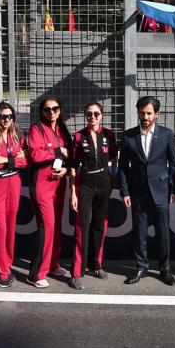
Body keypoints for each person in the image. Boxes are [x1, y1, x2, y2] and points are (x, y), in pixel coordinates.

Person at [119, 96, 175, 285]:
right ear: (138, 113)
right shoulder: (129, 135)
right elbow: (123, 167)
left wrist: (173, 189)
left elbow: (174, 164)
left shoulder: (166, 134)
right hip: (138, 191)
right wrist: (125, 192)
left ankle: (164, 268)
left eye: (149, 113)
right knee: (139, 232)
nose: (145, 116)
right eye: (142, 113)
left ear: (156, 114)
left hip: (161, 190)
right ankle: (141, 267)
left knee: (163, 231)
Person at [69, 102, 119, 290]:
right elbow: (74, 166)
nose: (92, 117)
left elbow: (115, 155)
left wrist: (112, 174)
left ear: (102, 115)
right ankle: (76, 272)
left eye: (96, 114)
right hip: (86, 184)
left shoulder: (108, 134)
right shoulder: (78, 136)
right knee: (82, 228)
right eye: (89, 114)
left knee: (100, 225)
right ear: (85, 116)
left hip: (104, 182)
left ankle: (95, 265)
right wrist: (73, 192)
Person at [27, 96, 73, 288]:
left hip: (59, 184)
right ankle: (36, 273)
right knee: (46, 227)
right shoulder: (36, 129)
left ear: (60, 110)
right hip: (41, 185)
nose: (51, 112)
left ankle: (52, 263)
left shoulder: (62, 130)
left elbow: (70, 154)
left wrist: (65, 167)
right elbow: (35, 154)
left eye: (55, 109)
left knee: (56, 227)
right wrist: (57, 151)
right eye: (47, 110)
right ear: (42, 112)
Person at [0, 101, 27, 287]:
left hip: (14, 183)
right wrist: (13, 160)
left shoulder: (18, 136)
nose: (6, 120)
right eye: (3, 116)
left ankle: (6, 266)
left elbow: (26, 161)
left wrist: (4, 159)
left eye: (9, 116)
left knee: (9, 229)